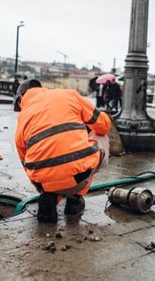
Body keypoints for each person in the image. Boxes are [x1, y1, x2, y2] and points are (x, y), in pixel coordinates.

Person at [14, 79, 111, 223]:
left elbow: (25, 164)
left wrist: (43, 188)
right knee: (101, 136)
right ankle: (75, 199)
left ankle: (50, 197)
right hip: (79, 177)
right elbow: (104, 125)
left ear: (21, 98)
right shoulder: (69, 95)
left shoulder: (22, 119)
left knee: (46, 166)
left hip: (45, 184)